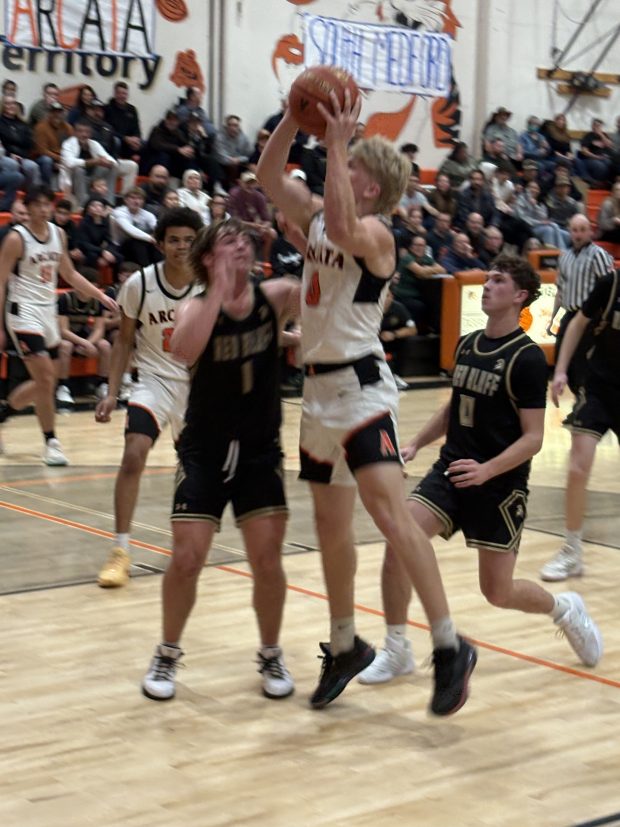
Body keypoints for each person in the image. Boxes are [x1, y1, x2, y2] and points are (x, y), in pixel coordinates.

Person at [257, 88, 477, 715]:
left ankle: (447, 645)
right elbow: (269, 176)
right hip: (318, 393)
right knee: (330, 529)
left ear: (372, 186)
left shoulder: (374, 233)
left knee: (388, 513)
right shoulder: (320, 219)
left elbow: (348, 224)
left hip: (362, 389)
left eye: (351, 164)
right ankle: (347, 643)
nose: (340, 164)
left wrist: (336, 136)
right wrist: (290, 119)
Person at [357, 256, 603, 686]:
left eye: (498, 280)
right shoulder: (468, 343)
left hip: (499, 486)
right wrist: (417, 441)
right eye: (487, 278)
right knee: (400, 540)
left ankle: (564, 609)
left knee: (498, 592)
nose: (487, 285)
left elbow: (533, 438)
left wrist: (487, 471)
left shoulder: (526, 358)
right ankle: (397, 649)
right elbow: (456, 406)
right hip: (451, 471)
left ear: (520, 295)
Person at [140, 219, 301, 702]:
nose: (240, 247)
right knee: (187, 558)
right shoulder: (193, 306)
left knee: (267, 560)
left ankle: (271, 652)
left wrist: (303, 233)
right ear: (208, 258)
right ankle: (167, 652)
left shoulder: (275, 295)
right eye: (228, 242)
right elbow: (185, 348)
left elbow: (321, 290)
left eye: (245, 242)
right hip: (205, 448)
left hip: (259, 449)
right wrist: (219, 290)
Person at [94, 208, 204, 587]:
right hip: (153, 380)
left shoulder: (211, 287)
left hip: (197, 388)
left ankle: (186, 541)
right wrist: (111, 393)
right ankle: (120, 550)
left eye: (190, 240)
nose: (181, 247)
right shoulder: (140, 284)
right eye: (174, 240)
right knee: (133, 453)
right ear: (160, 244)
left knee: (193, 471)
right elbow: (124, 339)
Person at [0, 186, 118, 464]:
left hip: (47, 312)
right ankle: (51, 442)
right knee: (44, 378)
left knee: (47, 383)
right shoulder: (17, 239)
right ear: (26, 208)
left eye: (46, 204)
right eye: (37, 204)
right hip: (22, 312)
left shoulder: (59, 234)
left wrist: (100, 295)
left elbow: (69, 273)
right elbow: (1, 281)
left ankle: (4, 411)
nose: (43, 209)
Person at [541, 266, 620, 582]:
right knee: (577, 468)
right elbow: (577, 323)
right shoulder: (610, 283)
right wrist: (559, 370)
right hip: (599, 387)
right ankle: (572, 551)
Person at [547, 215, 614, 395]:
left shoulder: (598, 255)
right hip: (568, 315)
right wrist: (552, 319)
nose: (578, 234)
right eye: (575, 230)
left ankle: (583, 402)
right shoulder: (564, 257)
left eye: (582, 230)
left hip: (589, 317)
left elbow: (608, 288)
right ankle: (579, 399)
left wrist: (604, 318)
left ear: (590, 231)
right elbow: (560, 291)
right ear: (569, 232)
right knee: (562, 358)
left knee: (583, 362)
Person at [56, 266, 112, 406]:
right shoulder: (65, 299)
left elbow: (99, 329)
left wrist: (89, 343)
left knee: (105, 345)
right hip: (66, 335)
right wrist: (85, 343)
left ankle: (102, 385)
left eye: (95, 286)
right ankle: (63, 387)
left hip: (83, 335)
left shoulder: (97, 302)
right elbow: (63, 330)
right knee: (66, 346)